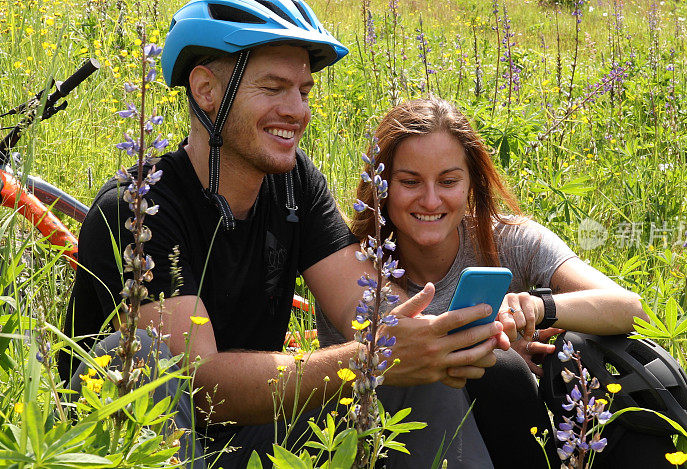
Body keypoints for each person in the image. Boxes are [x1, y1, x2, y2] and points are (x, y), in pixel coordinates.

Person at [60, 2, 510, 467]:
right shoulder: (137, 207)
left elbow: (372, 309)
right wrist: (373, 355)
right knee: (138, 360)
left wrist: (444, 333)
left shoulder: (295, 187)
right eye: (274, 88)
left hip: (254, 437)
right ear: (206, 89)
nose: (297, 111)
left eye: (304, 91)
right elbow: (202, 384)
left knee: (417, 371)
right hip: (152, 440)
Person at [319, 96, 677, 468]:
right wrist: (495, 353)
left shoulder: (510, 239)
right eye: (410, 182)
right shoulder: (352, 268)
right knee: (500, 369)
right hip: (400, 444)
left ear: (472, 183)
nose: (430, 199)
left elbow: (634, 310)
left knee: (586, 348)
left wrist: (539, 308)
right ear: (381, 187)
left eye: (448, 181)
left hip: (518, 435)